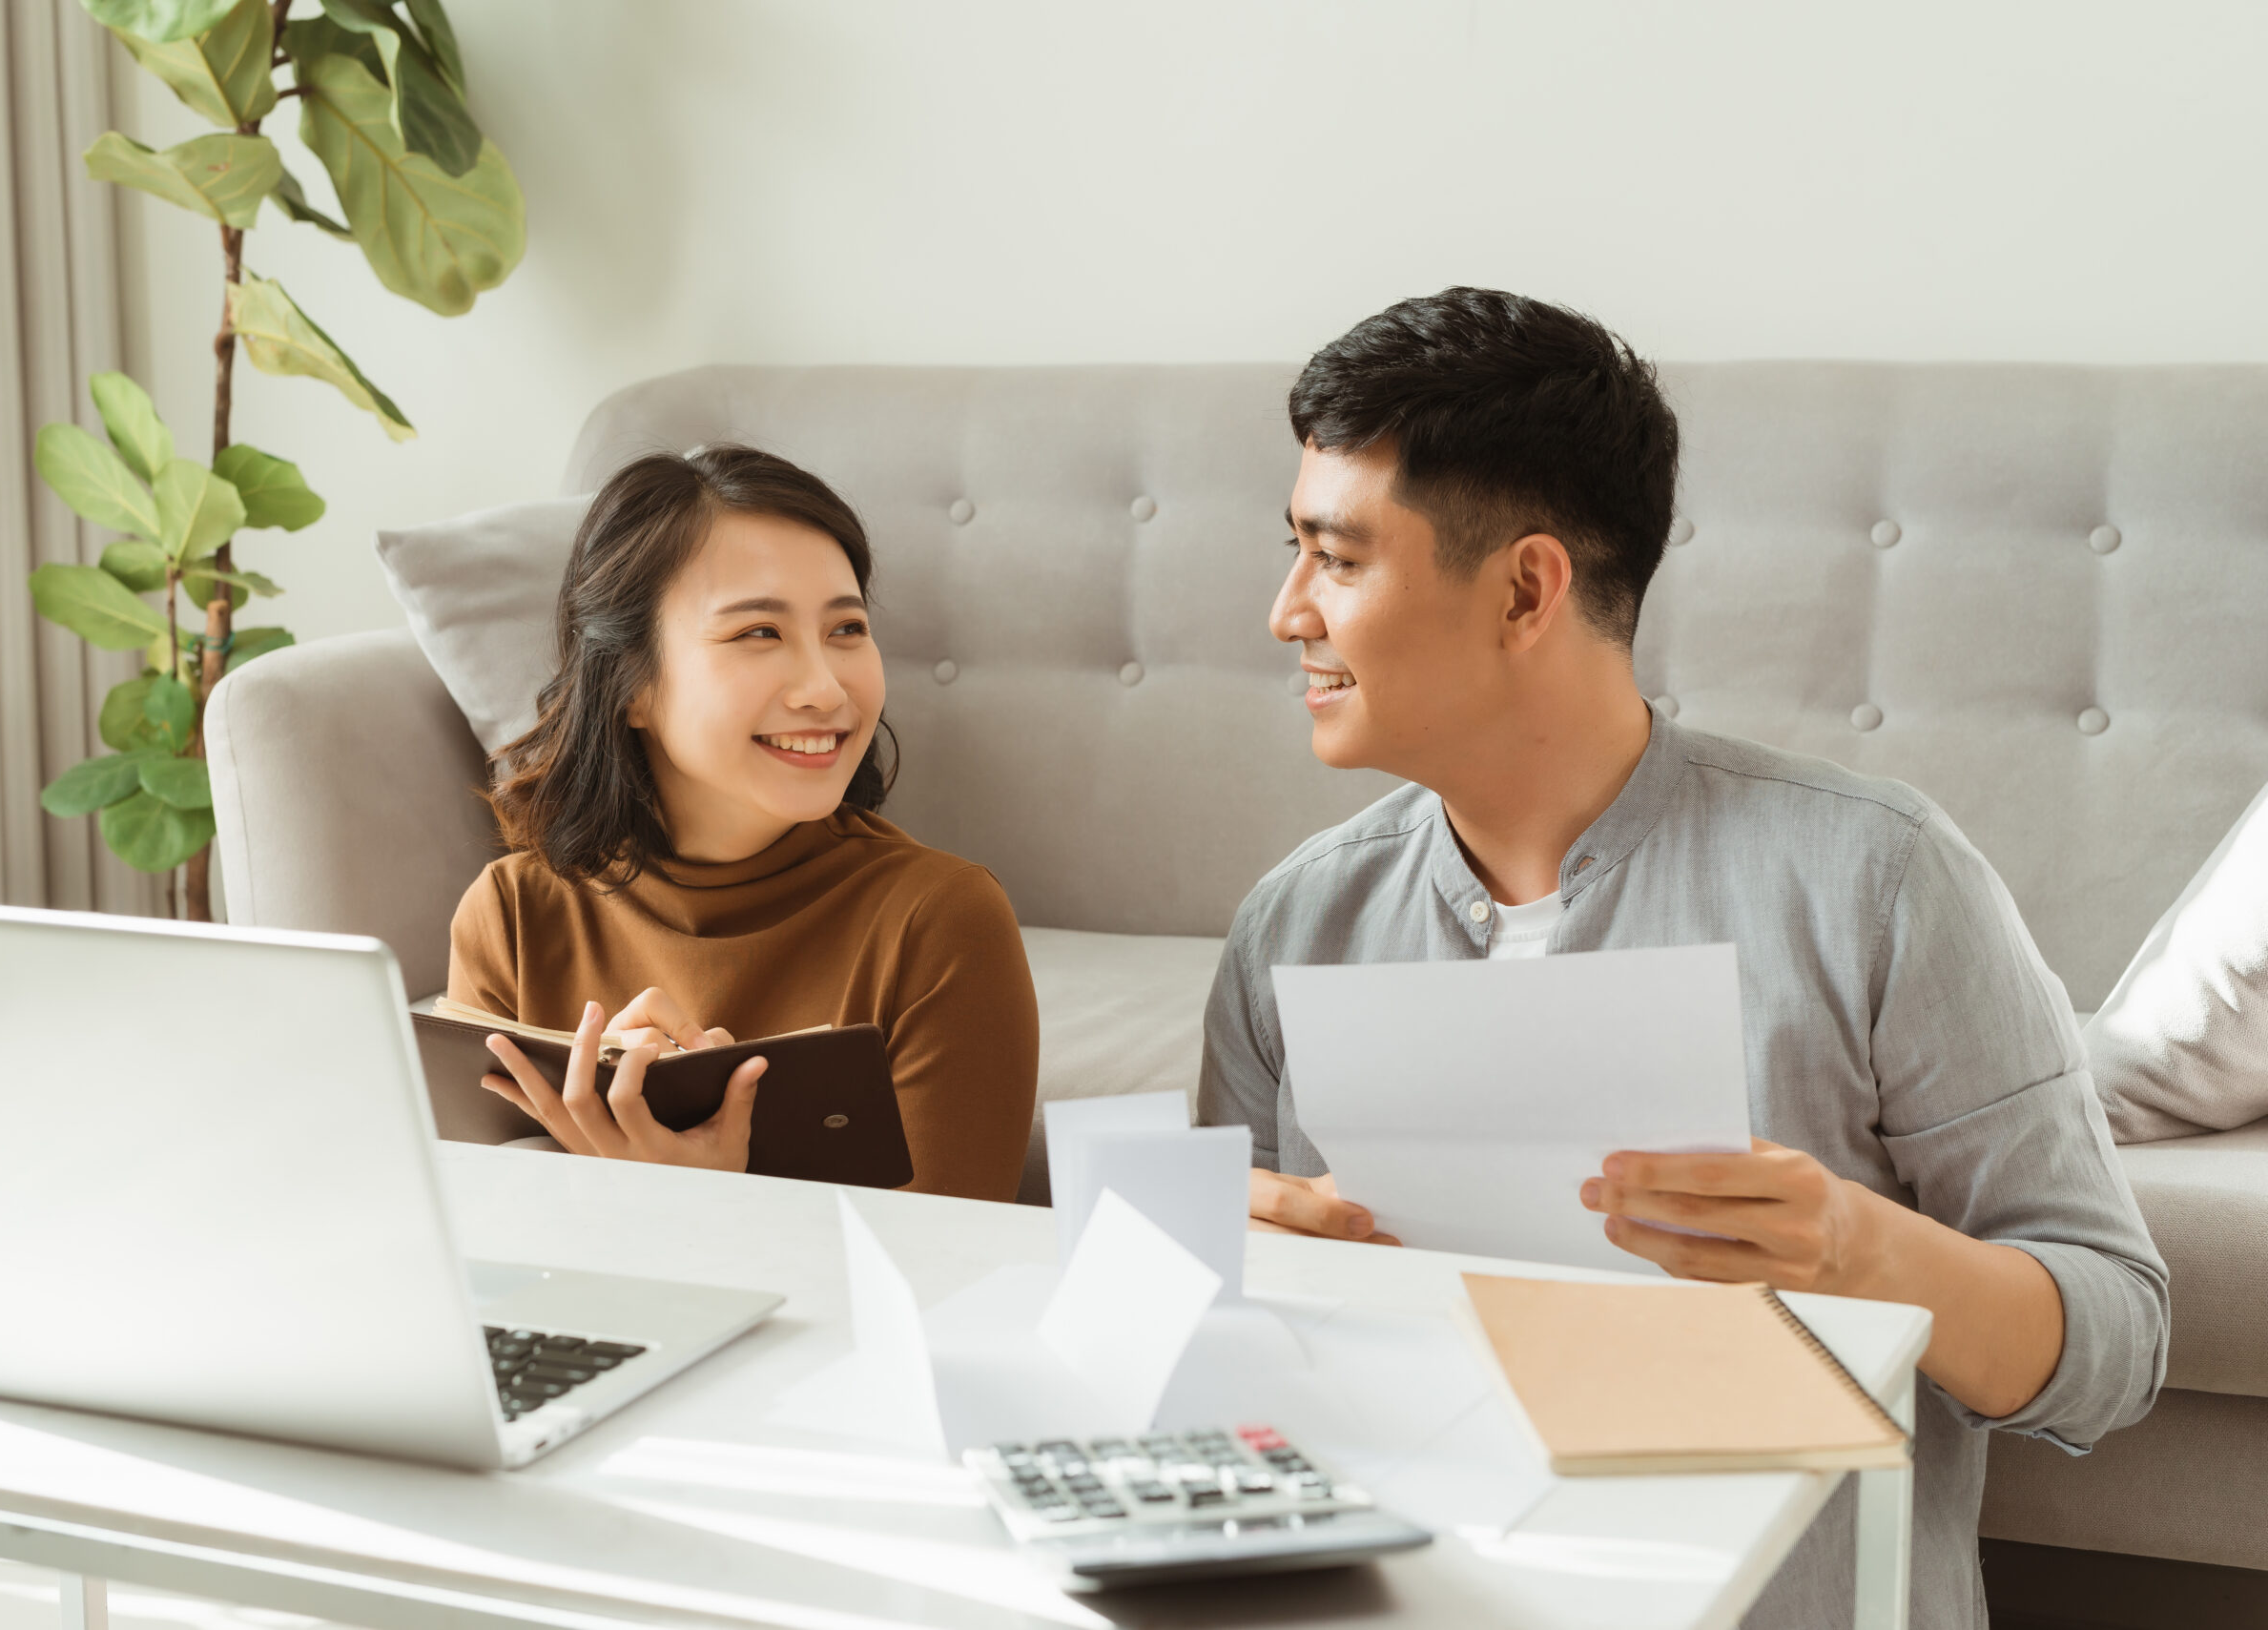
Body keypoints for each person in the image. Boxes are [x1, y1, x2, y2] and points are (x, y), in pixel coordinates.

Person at [1199, 288, 2167, 1629]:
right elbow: (1215, 1376)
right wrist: (1230, 1268)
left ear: (1528, 587)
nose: (1287, 610)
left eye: (1340, 557)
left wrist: (1858, 1247)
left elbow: (2114, 1344)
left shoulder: (1877, 877)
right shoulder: (1293, 924)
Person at [449, 445, 1039, 1202]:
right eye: (759, 632)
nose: (826, 689)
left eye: (847, 629)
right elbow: (474, 1237)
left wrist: (713, 1201)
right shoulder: (513, 917)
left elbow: (953, 1279)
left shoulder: (942, 921)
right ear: (629, 684)